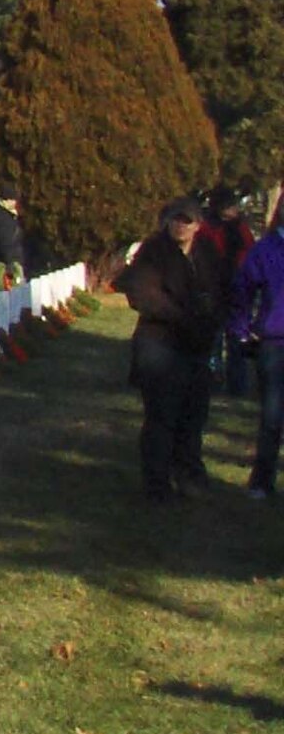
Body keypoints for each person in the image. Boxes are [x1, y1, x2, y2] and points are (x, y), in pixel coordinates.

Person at [115, 196, 222, 501]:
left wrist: (211, 317)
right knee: (161, 416)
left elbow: (221, 290)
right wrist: (182, 315)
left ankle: (189, 475)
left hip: (197, 345)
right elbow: (141, 293)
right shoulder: (153, 251)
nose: (180, 225)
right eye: (176, 219)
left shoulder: (207, 254)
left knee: (193, 415)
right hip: (159, 343)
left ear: (198, 225)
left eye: (187, 220)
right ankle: (157, 482)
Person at [227, 195, 284, 497]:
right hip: (274, 343)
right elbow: (242, 291)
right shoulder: (265, 250)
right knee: (272, 417)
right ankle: (262, 481)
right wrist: (242, 330)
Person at [200, 187, 255, 396]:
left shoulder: (240, 230)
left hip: (237, 289)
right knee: (213, 339)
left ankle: (236, 384)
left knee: (235, 339)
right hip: (214, 287)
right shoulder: (208, 228)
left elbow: (250, 256)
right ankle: (213, 380)